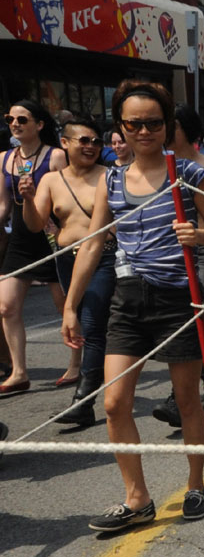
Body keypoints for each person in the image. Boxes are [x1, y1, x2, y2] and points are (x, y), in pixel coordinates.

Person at [60, 79, 204, 532]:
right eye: (135, 123)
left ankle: (195, 484)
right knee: (114, 403)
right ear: (122, 127)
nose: (144, 131)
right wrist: (71, 305)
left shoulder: (189, 174)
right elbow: (93, 245)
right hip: (127, 301)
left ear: (168, 125)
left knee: (188, 400)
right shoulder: (110, 179)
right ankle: (138, 498)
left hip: (177, 298)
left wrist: (200, 236)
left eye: (154, 122)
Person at [150, 105, 204, 428]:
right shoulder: (158, 167)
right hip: (176, 252)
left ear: (185, 129)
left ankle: (181, 395)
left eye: (167, 125)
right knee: (197, 313)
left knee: (195, 308)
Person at [21, 116, 108, 425]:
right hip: (66, 258)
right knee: (89, 325)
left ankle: (83, 402)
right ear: (65, 143)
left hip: (103, 258)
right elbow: (34, 224)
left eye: (96, 141)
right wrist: (28, 199)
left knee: (91, 323)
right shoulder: (51, 181)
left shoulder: (108, 177)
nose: (91, 147)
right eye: (84, 140)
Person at [0, 99, 72, 395]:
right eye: (10, 119)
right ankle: (19, 372)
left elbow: (67, 199)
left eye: (22, 119)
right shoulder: (4, 158)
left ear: (40, 125)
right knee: (6, 306)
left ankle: (77, 364)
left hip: (51, 237)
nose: (15, 124)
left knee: (65, 305)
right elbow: (3, 205)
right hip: (19, 239)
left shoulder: (55, 156)